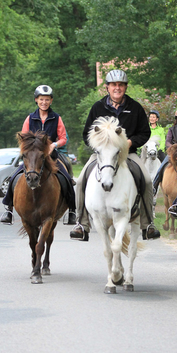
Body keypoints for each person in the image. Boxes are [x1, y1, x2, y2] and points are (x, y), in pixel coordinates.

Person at [69, 69, 161, 241]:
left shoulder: (135, 108)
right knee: (81, 179)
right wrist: (99, 146)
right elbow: (86, 134)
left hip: (128, 155)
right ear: (107, 87)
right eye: (113, 85)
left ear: (125, 87)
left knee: (147, 180)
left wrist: (130, 142)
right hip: (102, 155)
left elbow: (145, 132)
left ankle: (147, 224)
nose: (117, 88)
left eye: (120, 85)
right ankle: (81, 224)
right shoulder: (97, 107)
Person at [0, 85, 76, 225]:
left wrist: (53, 145)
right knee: (14, 176)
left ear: (51, 101)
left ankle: (72, 210)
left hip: (51, 155)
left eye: (47, 99)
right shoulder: (30, 118)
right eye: (41, 99)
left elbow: (63, 138)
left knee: (66, 177)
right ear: (36, 100)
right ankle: (8, 209)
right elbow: (23, 137)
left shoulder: (56, 118)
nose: (44, 102)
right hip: (33, 157)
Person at [152, 108, 177, 194]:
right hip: (174, 153)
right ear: (176, 118)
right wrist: (172, 148)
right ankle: (155, 185)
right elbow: (168, 141)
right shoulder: (171, 129)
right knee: (162, 167)